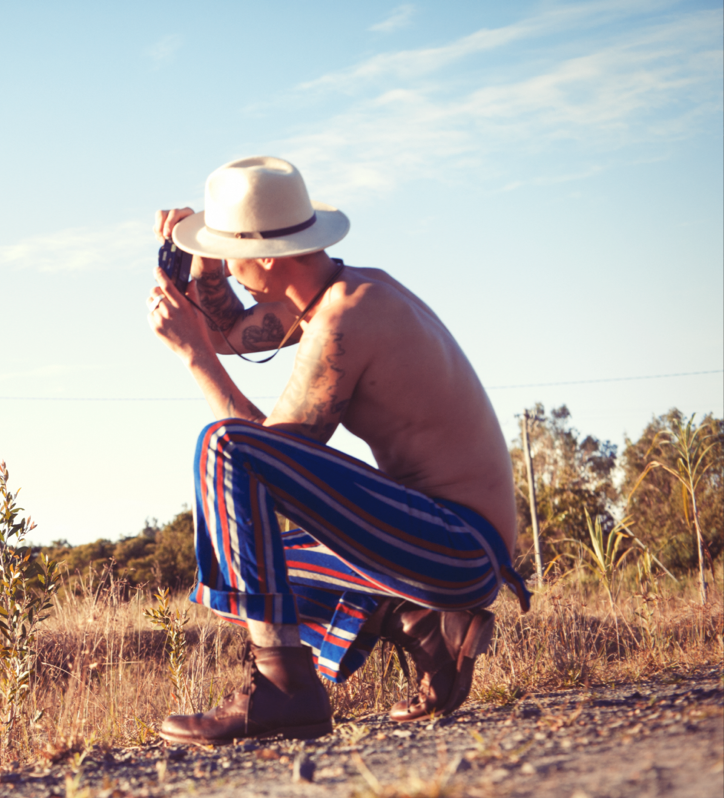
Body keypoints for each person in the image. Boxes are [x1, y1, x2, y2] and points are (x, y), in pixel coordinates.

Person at [146, 156, 529, 744]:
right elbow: (229, 332)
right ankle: (423, 622)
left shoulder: (345, 320)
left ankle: (285, 688)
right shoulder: (339, 291)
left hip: (459, 547)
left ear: (266, 257)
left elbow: (260, 459)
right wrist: (198, 270)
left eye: (228, 251)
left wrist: (193, 360)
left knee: (224, 449)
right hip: (438, 539)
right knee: (229, 568)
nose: (225, 262)